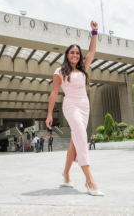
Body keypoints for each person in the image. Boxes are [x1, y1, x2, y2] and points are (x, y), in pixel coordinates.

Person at [45, 21, 104, 196]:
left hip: (85, 107)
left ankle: (66, 174)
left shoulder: (83, 68)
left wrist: (94, 32)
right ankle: (90, 181)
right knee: (81, 136)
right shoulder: (59, 71)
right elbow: (54, 93)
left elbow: (92, 51)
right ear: (67, 55)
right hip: (70, 106)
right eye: (72, 52)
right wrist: (49, 114)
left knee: (73, 144)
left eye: (78, 53)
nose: (75, 55)